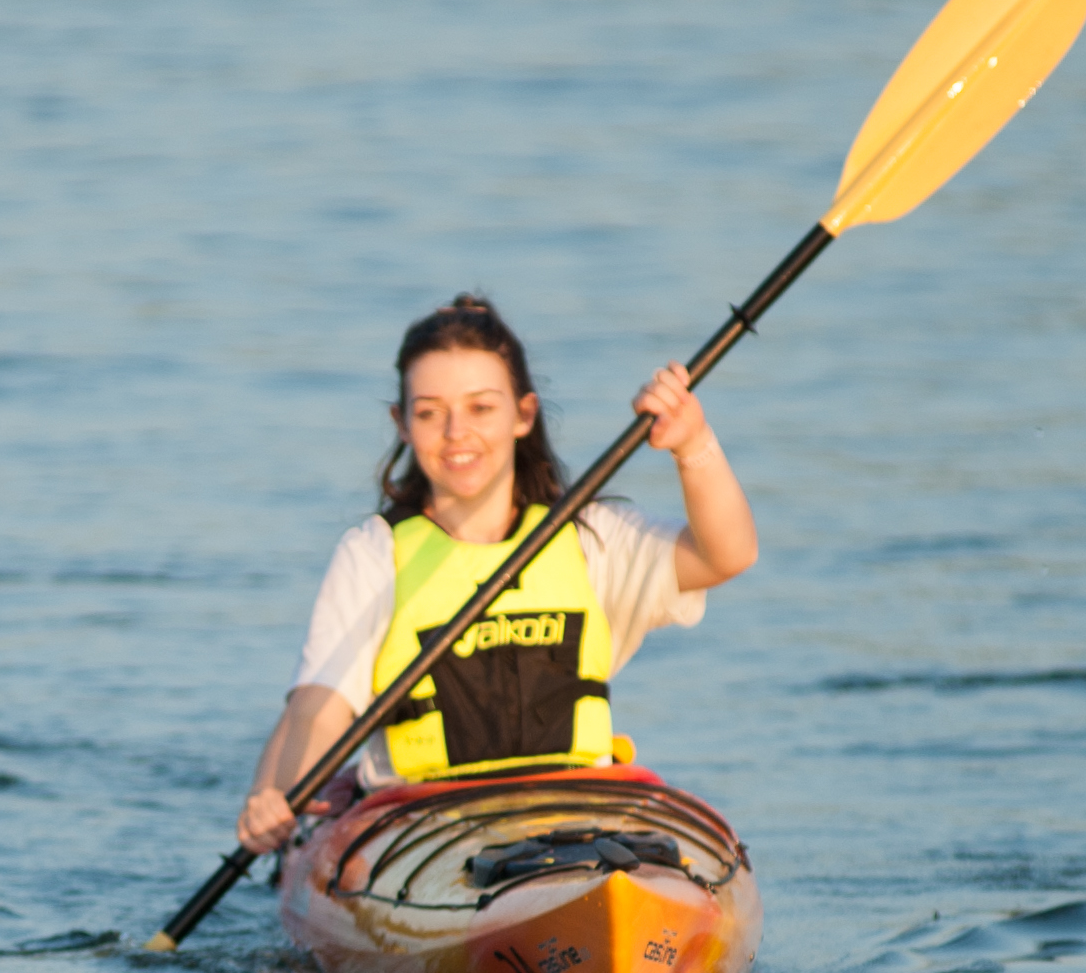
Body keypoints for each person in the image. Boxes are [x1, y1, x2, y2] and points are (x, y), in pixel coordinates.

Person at [236, 295, 757, 854]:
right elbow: (318, 705)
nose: (457, 432)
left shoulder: (590, 539)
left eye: (481, 408)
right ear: (402, 423)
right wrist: (277, 794)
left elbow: (726, 555)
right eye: (431, 412)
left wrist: (692, 444)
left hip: (580, 816)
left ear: (523, 415)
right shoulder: (374, 553)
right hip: (419, 830)